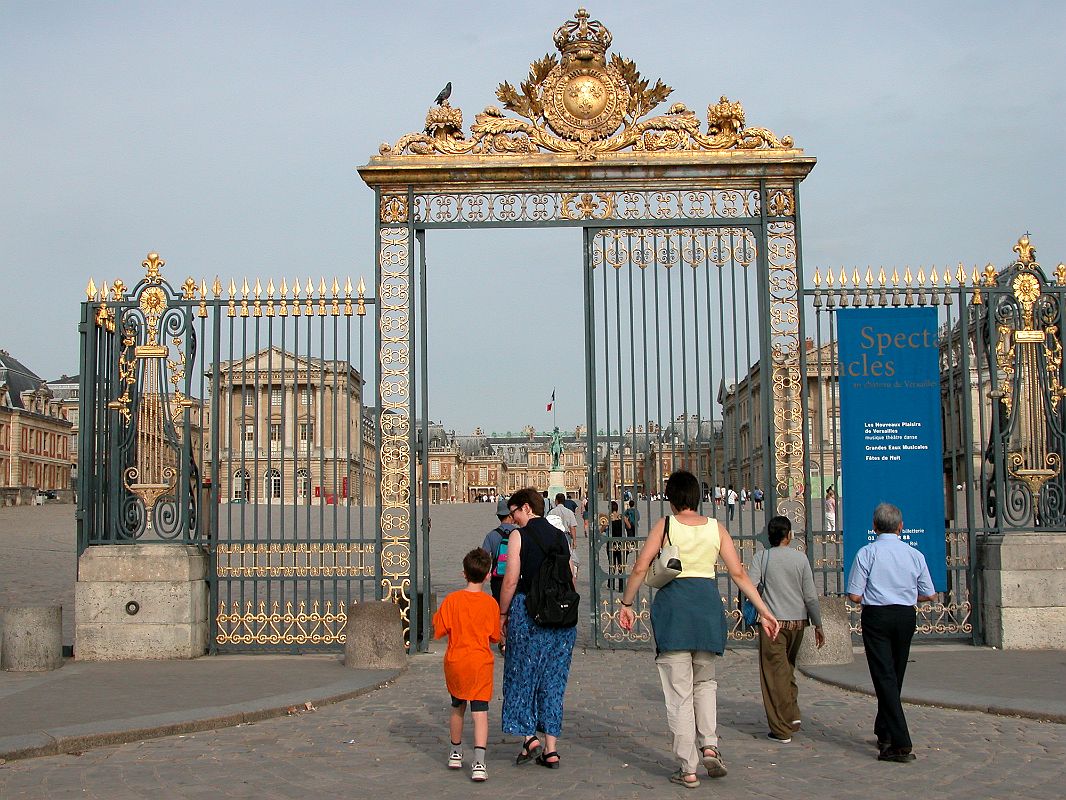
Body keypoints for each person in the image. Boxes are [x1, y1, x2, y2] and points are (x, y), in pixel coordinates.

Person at [618, 470, 781, 788]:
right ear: (697, 496)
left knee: (679, 693)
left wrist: (626, 603)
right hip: (707, 609)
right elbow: (739, 574)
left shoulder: (665, 526)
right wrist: (765, 611)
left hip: (676, 611)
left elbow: (640, 566)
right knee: (705, 684)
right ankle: (709, 745)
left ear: (671, 498)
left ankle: (688, 767)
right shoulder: (716, 528)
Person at [846, 502, 937, 763]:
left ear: (874, 527)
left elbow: (854, 595)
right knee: (895, 674)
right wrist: (906, 593)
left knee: (884, 676)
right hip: (905, 615)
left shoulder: (867, 553)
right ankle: (883, 729)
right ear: (901, 527)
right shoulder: (914, 554)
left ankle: (900, 742)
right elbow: (929, 594)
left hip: (877, 616)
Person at [499, 487, 578, 769]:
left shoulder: (519, 536)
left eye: (514, 512)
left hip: (529, 612)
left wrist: (503, 613)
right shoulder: (560, 536)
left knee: (522, 674)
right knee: (553, 681)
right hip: (560, 617)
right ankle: (551, 749)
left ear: (527, 508)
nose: (512, 519)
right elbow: (569, 576)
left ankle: (530, 737)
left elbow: (510, 580)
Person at [748, 516, 825, 743]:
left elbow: (749, 586)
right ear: (789, 535)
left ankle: (781, 728)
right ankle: (792, 714)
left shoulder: (762, 557)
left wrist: (762, 605)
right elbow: (810, 596)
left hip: (774, 625)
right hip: (798, 624)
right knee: (787, 668)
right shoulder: (800, 559)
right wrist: (818, 624)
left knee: (773, 675)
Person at [432, 547, 501, 782]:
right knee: (480, 713)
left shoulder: (452, 600)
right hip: (480, 662)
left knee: (457, 706)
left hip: (457, 661)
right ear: (488, 575)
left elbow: (439, 630)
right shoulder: (490, 604)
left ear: (464, 574)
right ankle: (479, 762)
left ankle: (455, 750)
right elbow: (494, 636)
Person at [482, 497, 517, 604]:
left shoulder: (491, 535)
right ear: (511, 515)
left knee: (497, 605)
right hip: (515, 576)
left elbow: (484, 558)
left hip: (497, 577)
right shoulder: (519, 533)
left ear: (498, 516)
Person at [547, 492, 580, 579]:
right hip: (566, 536)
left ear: (556, 501)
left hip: (554, 536)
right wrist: (574, 541)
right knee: (567, 555)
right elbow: (572, 527)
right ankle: (567, 572)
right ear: (564, 501)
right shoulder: (569, 512)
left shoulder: (551, 512)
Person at [604, 500, 626, 590]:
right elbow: (628, 526)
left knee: (612, 564)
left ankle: (611, 584)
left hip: (611, 543)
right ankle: (621, 586)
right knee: (621, 565)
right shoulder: (621, 517)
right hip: (621, 543)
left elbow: (602, 530)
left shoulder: (608, 518)